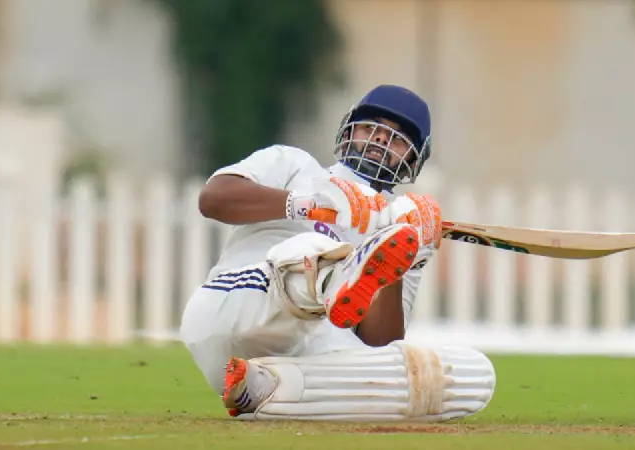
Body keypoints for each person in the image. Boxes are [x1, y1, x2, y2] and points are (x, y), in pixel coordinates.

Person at [180, 85, 496, 422]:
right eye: (370, 127)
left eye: (399, 139)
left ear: (414, 159)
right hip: (238, 305)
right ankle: (336, 273)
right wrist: (309, 206)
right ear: (348, 130)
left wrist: (406, 257)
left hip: (305, 356)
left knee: (469, 376)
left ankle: (262, 389)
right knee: (314, 250)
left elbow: (380, 343)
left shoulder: (401, 226)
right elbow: (213, 199)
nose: (380, 141)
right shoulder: (295, 165)